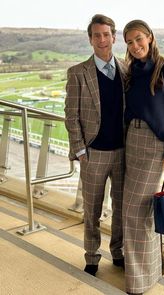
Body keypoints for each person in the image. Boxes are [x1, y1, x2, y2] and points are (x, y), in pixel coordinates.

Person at [122, 20, 164, 295]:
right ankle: (152, 267)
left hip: (152, 144)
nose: (135, 47)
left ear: (149, 36)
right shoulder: (131, 71)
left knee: (134, 213)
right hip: (130, 142)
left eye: (138, 39)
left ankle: (140, 280)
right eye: (129, 42)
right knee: (140, 211)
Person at [64, 14, 126, 277]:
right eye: (96, 35)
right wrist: (80, 150)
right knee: (92, 210)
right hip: (93, 154)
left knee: (121, 208)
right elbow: (71, 114)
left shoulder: (126, 69)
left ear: (114, 37)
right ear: (90, 39)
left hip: (123, 153)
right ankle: (91, 256)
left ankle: (118, 252)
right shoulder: (78, 73)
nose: (102, 39)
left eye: (106, 34)